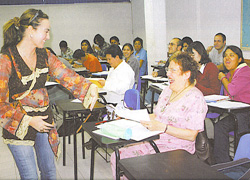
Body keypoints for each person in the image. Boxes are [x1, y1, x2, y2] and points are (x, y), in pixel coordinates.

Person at [0, 9, 98, 179]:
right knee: (30, 176)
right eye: (45, 31)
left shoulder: (44, 55)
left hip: (44, 121)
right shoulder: (6, 60)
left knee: (49, 173)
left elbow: (67, 75)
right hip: (18, 124)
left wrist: (90, 87)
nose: (48, 36)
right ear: (31, 30)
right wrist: (29, 121)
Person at [110, 52, 208, 179]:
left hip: (176, 149)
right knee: (118, 157)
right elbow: (156, 115)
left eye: (173, 70)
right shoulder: (168, 91)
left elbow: (191, 135)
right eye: (168, 70)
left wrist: (164, 127)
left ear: (186, 74)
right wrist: (129, 117)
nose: (168, 74)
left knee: (135, 166)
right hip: (154, 140)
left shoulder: (195, 98)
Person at [214, 45, 250, 163]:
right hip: (237, 111)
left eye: (231, 55)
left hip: (246, 111)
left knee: (241, 129)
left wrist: (223, 77)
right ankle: (222, 162)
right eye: (225, 56)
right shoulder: (231, 72)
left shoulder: (245, 71)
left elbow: (232, 90)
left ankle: (241, 163)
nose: (227, 58)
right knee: (219, 126)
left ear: (239, 59)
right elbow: (229, 94)